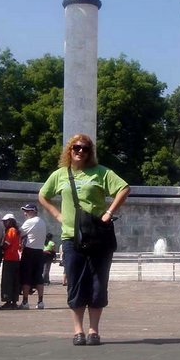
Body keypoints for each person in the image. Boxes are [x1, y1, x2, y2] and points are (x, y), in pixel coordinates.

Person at [39, 133, 130, 346]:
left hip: (98, 235)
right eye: (76, 148)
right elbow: (43, 195)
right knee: (76, 283)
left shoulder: (100, 172)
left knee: (98, 283)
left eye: (85, 148)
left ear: (90, 152)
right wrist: (57, 215)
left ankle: (94, 330)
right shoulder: (60, 174)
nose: (80, 151)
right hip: (72, 237)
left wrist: (109, 212)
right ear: (69, 150)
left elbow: (124, 188)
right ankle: (78, 330)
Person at [19, 203, 48, 309]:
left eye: (27, 211)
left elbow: (20, 233)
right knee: (38, 277)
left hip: (29, 251)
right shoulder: (42, 222)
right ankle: (40, 302)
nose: (25, 213)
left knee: (26, 276)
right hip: (40, 251)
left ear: (33, 211)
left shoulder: (30, 222)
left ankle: (25, 302)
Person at [0, 213, 21, 310]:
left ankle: (8, 301)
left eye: (5, 221)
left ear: (10, 221)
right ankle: (14, 301)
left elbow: (6, 244)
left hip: (9, 258)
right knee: (15, 281)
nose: (4, 223)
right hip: (15, 258)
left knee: (7, 281)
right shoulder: (16, 230)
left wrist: (0, 247)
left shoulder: (11, 231)